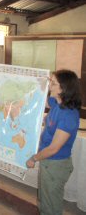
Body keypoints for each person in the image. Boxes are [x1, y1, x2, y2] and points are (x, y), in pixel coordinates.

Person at [26, 69, 81, 215]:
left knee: (51, 206)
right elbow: (45, 101)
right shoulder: (57, 104)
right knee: (44, 201)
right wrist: (40, 83)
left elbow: (54, 148)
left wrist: (34, 158)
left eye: (54, 83)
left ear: (63, 89)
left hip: (56, 165)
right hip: (48, 163)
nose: (50, 85)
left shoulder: (68, 115)